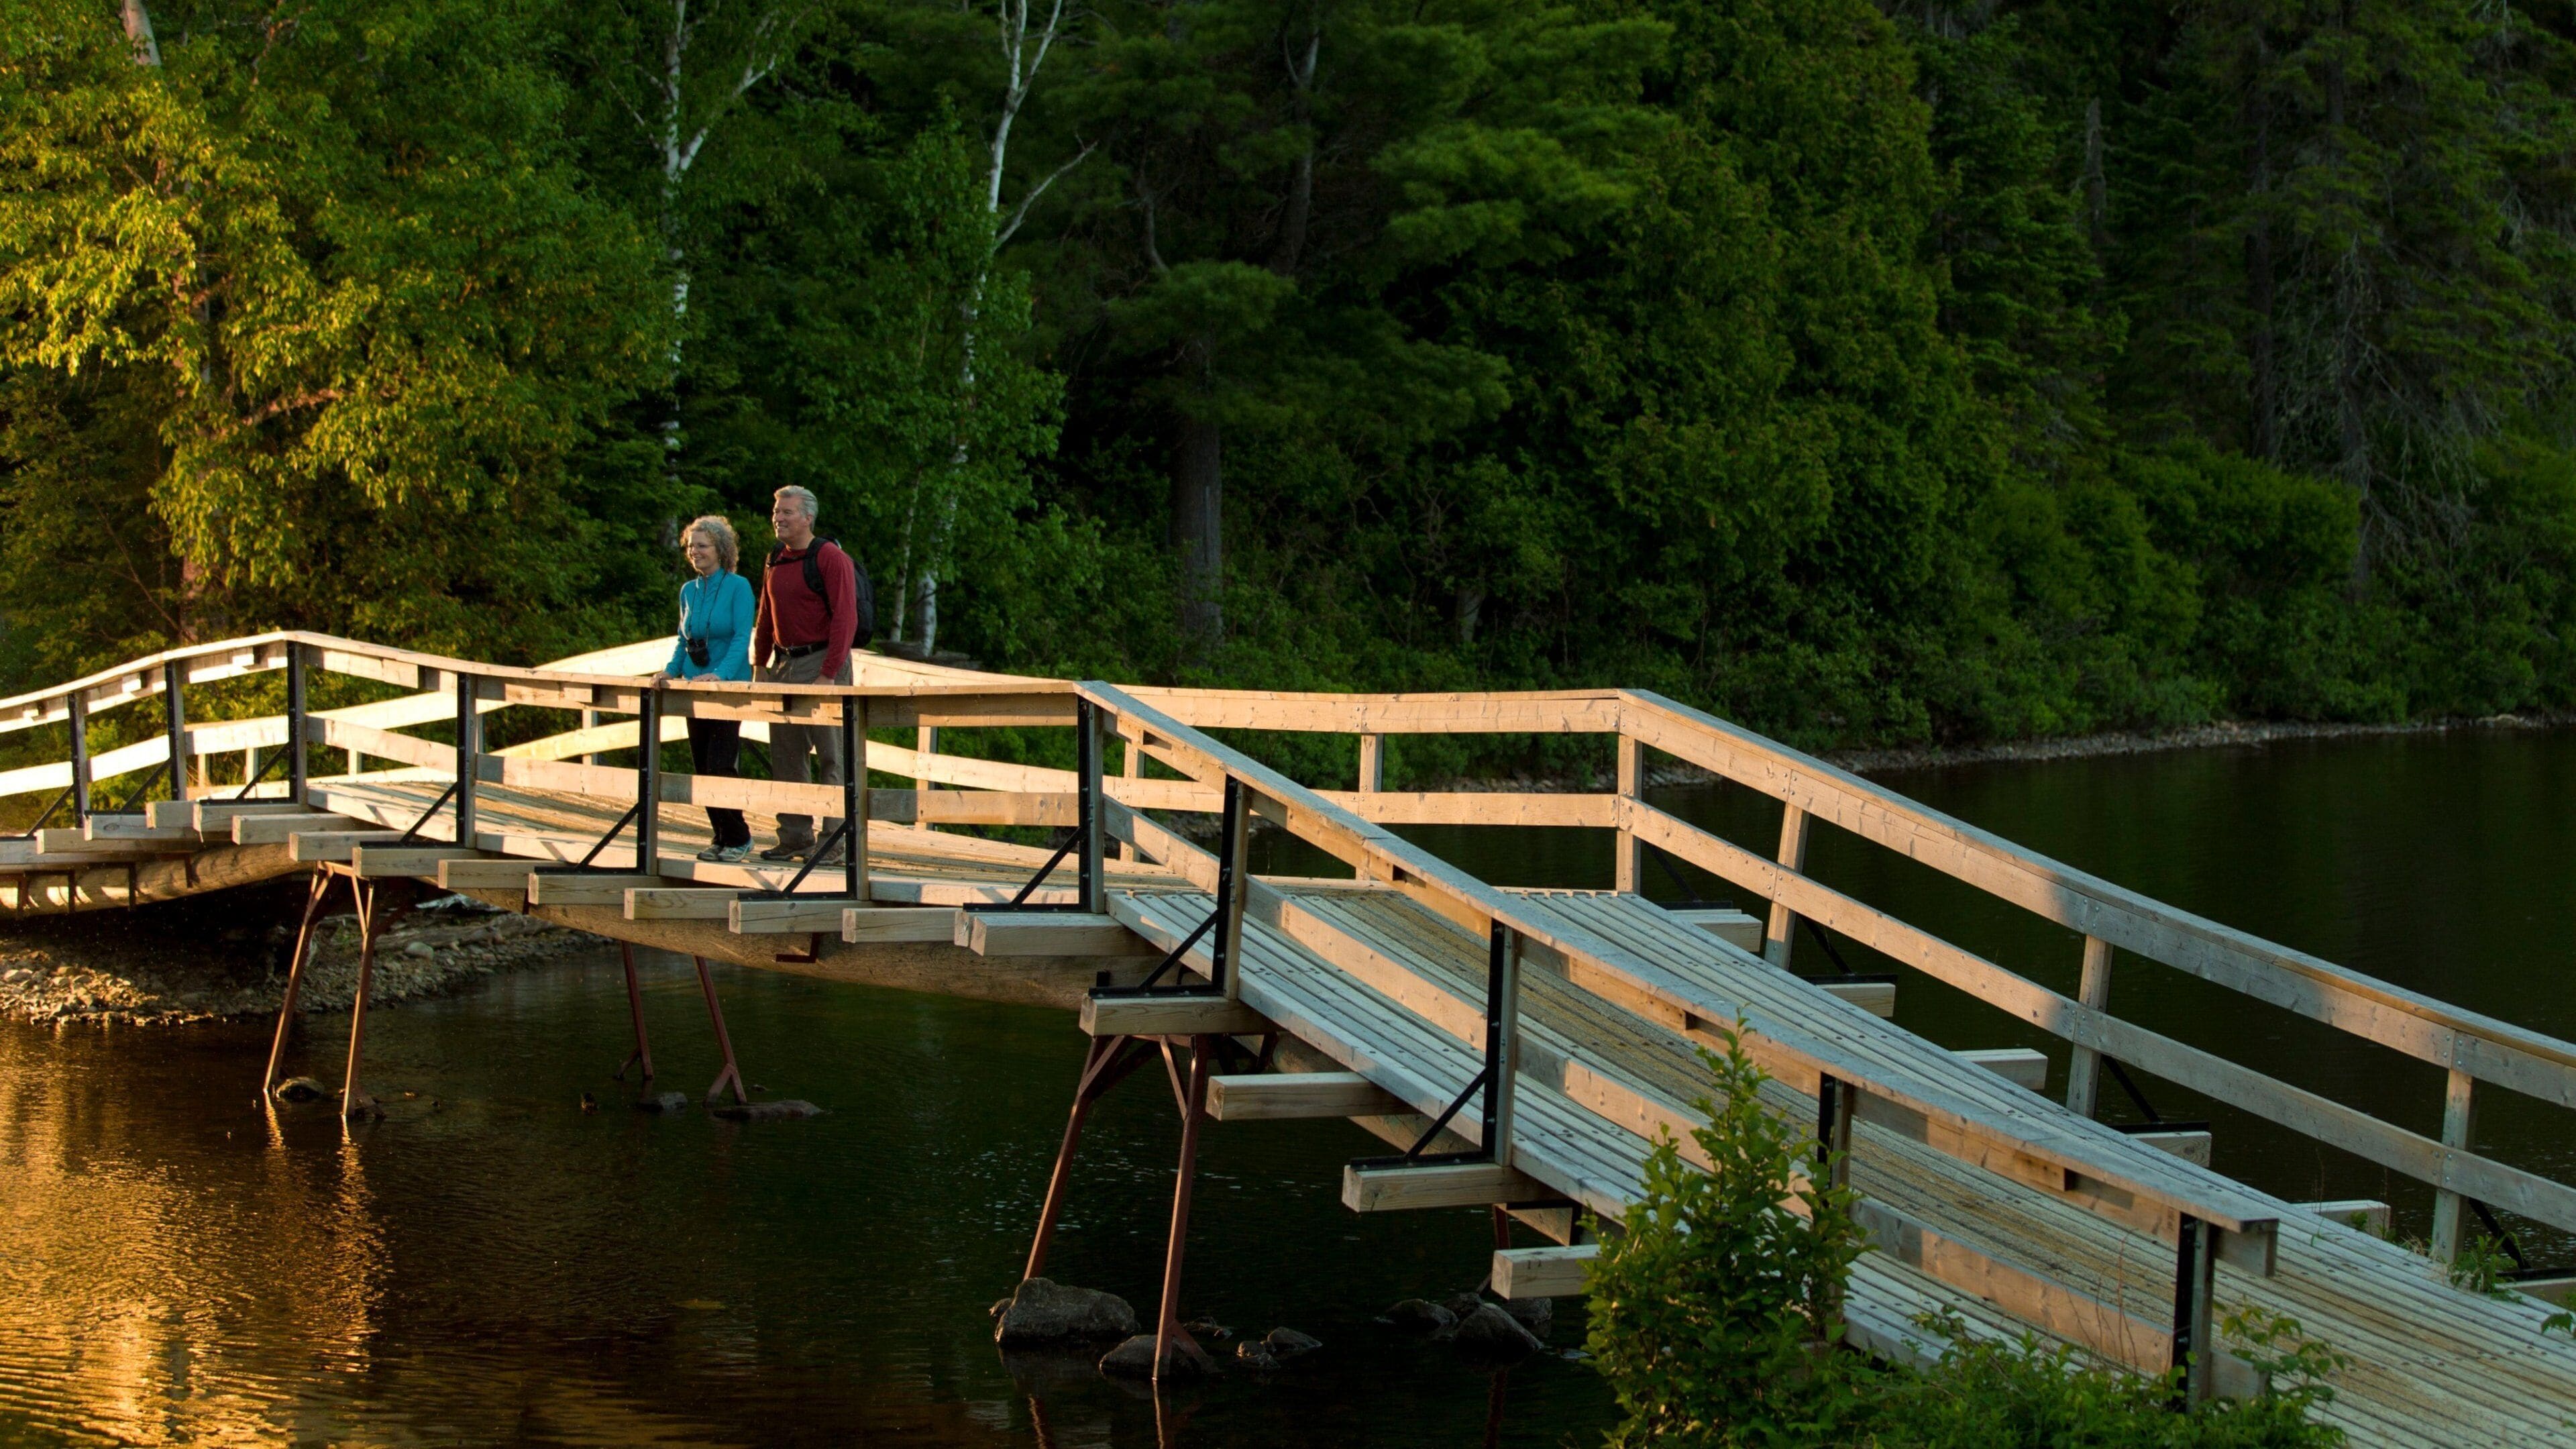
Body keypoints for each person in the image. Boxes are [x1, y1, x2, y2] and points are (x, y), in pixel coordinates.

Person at [751, 486, 863, 861]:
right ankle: (796, 837)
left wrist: (829, 674)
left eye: (787, 512)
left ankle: (834, 842)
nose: (778, 518)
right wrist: (760, 664)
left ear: (808, 518)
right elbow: (766, 614)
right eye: (776, 512)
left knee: (833, 755)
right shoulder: (775, 558)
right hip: (784, 664)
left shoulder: (830, 557)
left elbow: (846, 618)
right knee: (786, 755)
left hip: (822, 662)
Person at [651, 516, 756, 863]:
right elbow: (684, 640)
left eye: (703, 546)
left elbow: (741, 638)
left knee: (720, 764)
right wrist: (670, 671)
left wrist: (720, 674)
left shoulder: (739, 587)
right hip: (694, 689)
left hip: (727, 688)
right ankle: (721, 836)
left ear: (721, 550)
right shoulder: (688, 590)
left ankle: (739, 837)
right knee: (702, 764)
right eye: (691, 546)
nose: (695, 552)